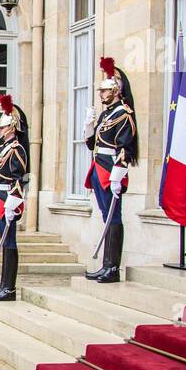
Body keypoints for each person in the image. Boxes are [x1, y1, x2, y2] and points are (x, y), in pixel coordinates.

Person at [83, 57, 138, 284]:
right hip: (98, 167)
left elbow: (126, 145)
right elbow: (92, 144)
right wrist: (88, 126)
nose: (101, 94)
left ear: (116, 90)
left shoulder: (124, 113)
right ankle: (106, 264)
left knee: (113, 217)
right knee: (106, 217)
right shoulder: (106, 114)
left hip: (111, 169)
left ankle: (112, 267)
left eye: (105, 90)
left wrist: (118, 173)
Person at [0, 94, 28, 301]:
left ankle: (9, 288)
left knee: (9, 242)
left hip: (8, 197)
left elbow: (20, 178)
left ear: (11, 127)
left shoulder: (17, 149)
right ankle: (3, 285)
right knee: (5, 242)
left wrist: (14, 201)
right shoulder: (4, 148)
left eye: (2, 128)